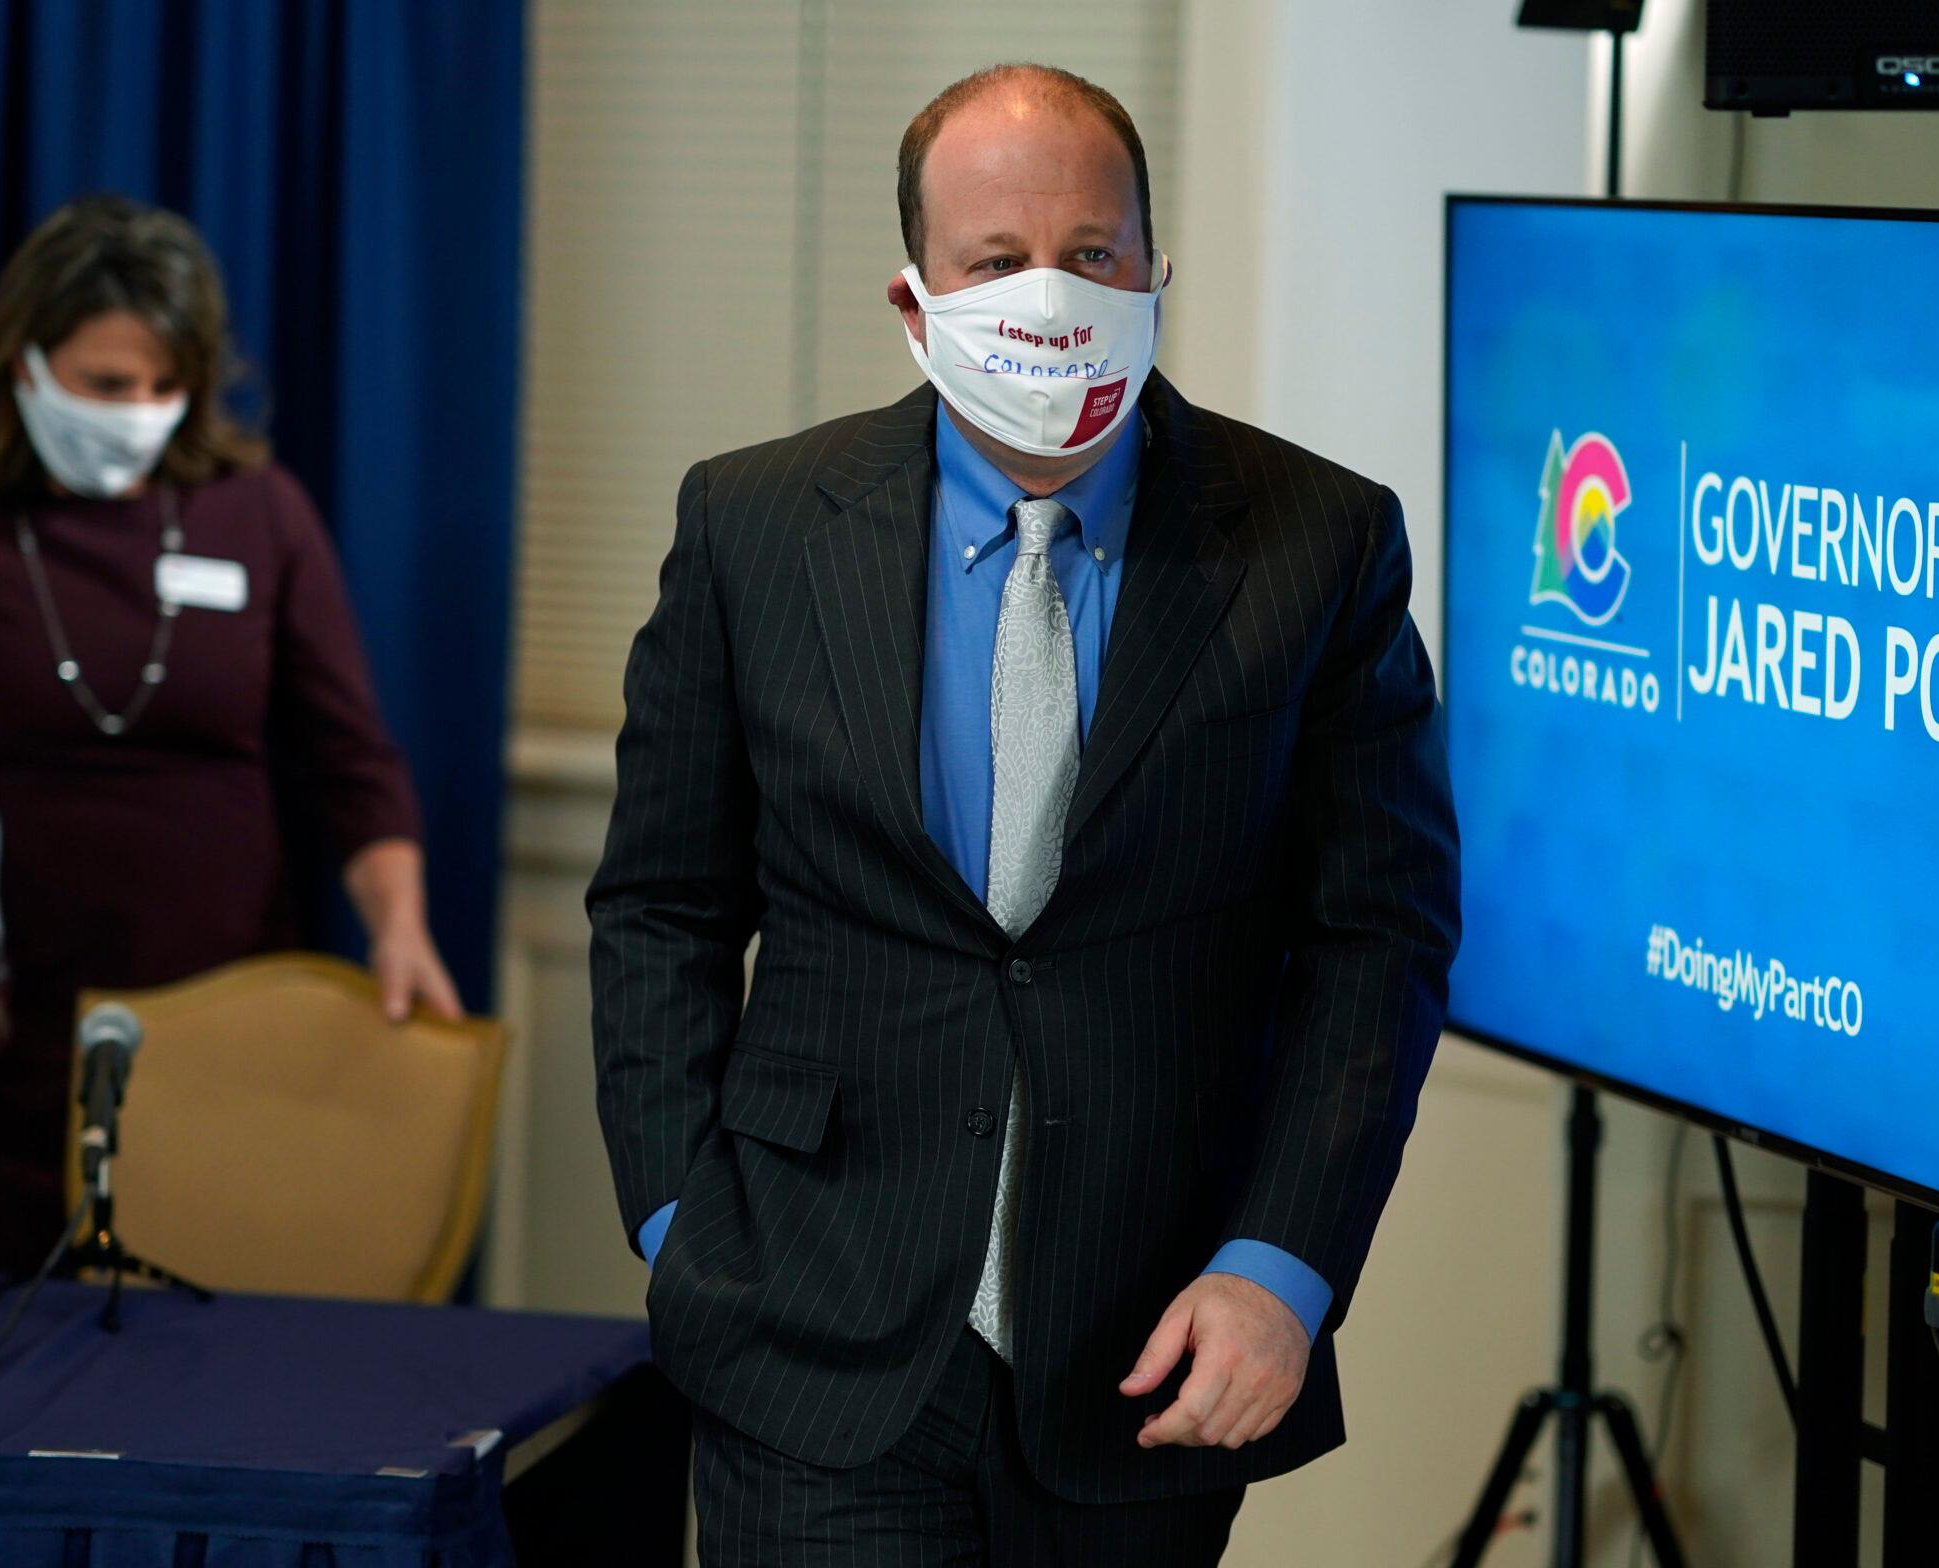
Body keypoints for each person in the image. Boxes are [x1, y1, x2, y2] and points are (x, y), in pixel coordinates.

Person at [588, 64, 1459, 1564]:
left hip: (1152, 1346)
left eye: (1093, 252)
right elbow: (660, 905)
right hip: (807, 1320)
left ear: (1154, 269)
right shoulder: (754, 526)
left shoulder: (1321, 541)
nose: (1051, 295)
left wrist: (1284, 1268)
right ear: (917, 301)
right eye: (998, 262)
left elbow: (1379, 940)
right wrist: (681, 1227)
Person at [0, 195, 461, 1276]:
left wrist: (398, 920)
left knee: (202, 1381)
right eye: (107, 384)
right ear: (23, 364)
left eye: (165, 385)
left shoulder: (259, 512)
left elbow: (354, 761)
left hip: (222, 1049)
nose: (139, 411)